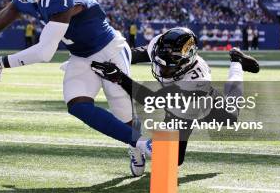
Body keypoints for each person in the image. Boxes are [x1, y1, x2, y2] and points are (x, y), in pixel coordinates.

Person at [0, 0, 151, 176]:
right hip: (81, 55)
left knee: (124, 115)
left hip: (110, 50)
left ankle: (137, 143)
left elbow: (45, 52)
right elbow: (7, 15)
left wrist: (0, 63)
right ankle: (141, 143)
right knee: (77, 105)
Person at [91, 27, 260, 169]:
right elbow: (136, 54)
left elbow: (150, 100)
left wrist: (120, 77)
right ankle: (135, 144)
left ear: (187, 62)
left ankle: (236, 61)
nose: (163, 71)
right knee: (172, 159)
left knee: (232, 116)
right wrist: (107, 58)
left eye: (169, 68)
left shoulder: (197, 80)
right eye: (160, 64)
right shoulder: (160, 46)